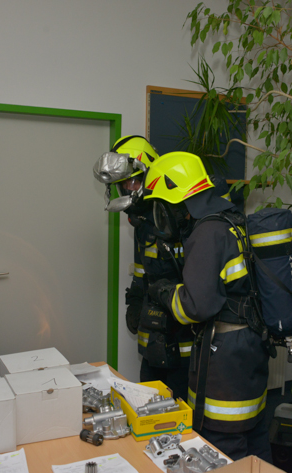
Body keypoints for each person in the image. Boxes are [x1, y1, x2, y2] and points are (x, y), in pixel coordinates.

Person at [142, 151, 272, 462]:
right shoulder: (232, 219)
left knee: (221, 448)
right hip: (249, 349)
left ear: (177, 203)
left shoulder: (206, 233)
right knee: (255, 444)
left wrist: (165, 292)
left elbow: (195, 307)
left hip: (224, 362)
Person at [93, 136, 191, 401]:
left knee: (180, 407)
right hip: (153, 337)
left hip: (184, 340)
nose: (129, 190)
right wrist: (136, 299)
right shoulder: (143, 221)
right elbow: (142, 270)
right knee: (146, 401)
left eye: (133, 182)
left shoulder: (177, 214)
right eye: (123, 185)